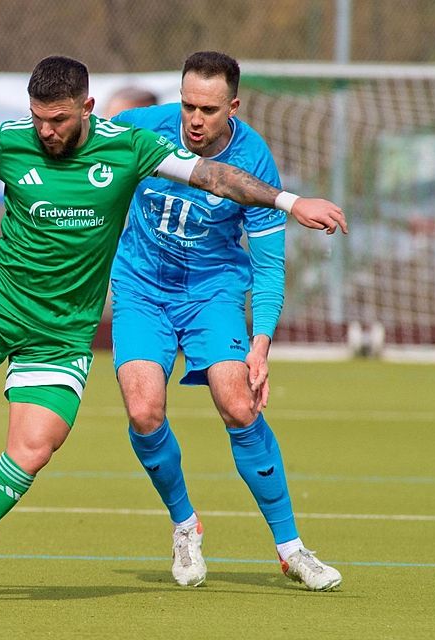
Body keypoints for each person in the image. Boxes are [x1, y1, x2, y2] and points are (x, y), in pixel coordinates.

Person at [0, 55, 347, 604]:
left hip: (65, 333)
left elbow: (218, 176)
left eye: (59, 120)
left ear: (87, 109)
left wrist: (289, 202)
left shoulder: (127, 146)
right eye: (39, 118)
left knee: (34, 447)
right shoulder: (9, 141)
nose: (46, 131)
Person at [109, 51, 343, 591]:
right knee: (144, 411)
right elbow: (81, 148)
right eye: (188, 104)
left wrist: (260, 345)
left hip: (212, 291)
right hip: (142, 288)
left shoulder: (255, 160)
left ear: (232, 106)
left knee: (238, 403)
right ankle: (185, 524)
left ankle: (291, 549)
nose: (194, 119)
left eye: (208, 110)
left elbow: (267, 265)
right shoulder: (141, 129)